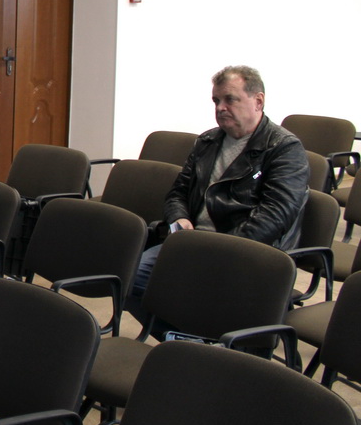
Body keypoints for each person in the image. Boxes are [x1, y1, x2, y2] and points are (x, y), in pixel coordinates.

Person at [127, 65, 309, 334]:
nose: (220, 108)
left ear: (258, 101)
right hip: (192, 242)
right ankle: (184, 342)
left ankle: (202, 345)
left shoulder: (284, 148)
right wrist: (179, 217)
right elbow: (178, 192)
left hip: (244, 250)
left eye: (230, 99)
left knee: (193, 291)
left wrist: (216, 249)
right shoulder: (208, 141)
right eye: (216, 100)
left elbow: (275, 215)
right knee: (129, 279)